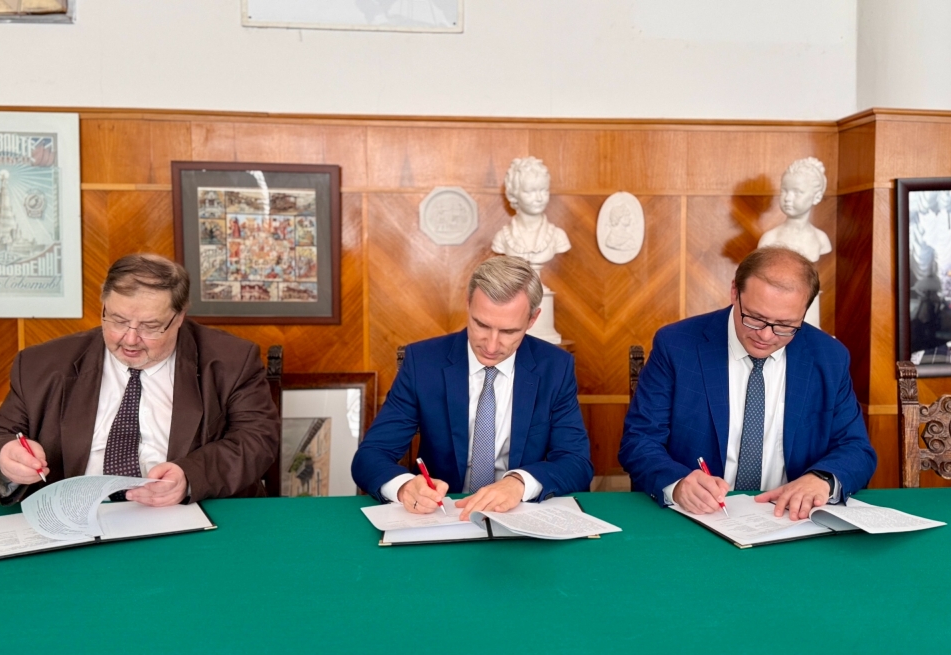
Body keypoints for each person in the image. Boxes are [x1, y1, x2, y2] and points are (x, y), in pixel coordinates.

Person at [0, 253, 279, 507]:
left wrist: (190, 476)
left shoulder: (231, 361)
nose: (129, 339)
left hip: (185, 515)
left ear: (180, 317)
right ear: (103, 304)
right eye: (117, 320)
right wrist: (5, 459)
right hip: (77, 520)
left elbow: (257, 438)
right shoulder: (42, 364)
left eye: (150, 326)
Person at [619, 247, 876, 520]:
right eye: (754, 318)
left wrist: (821, 480)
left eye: (785, 325)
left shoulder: (829, 356)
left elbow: (856, 449)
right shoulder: (677, 346)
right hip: (699, 517)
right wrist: (679, 483)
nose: (766, 336)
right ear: (735, 292)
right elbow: (639, 440)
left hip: (788, 519)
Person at [351, 256, 593, 520]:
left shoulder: (555, 368)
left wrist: (520, 483)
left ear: (532, 319)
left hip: (518, 516)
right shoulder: (423, 363)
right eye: (481, 325)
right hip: (442, 516)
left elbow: (577, 463)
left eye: (509, 332)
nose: (491, 345)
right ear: (468, 304)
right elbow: (370, 455)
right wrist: (404, 487)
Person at [491, 156, 571, 266]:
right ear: (513, 195)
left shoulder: (558, 236)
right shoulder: (502, 238)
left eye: (544, 190)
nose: (539, 198)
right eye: (529, 192)